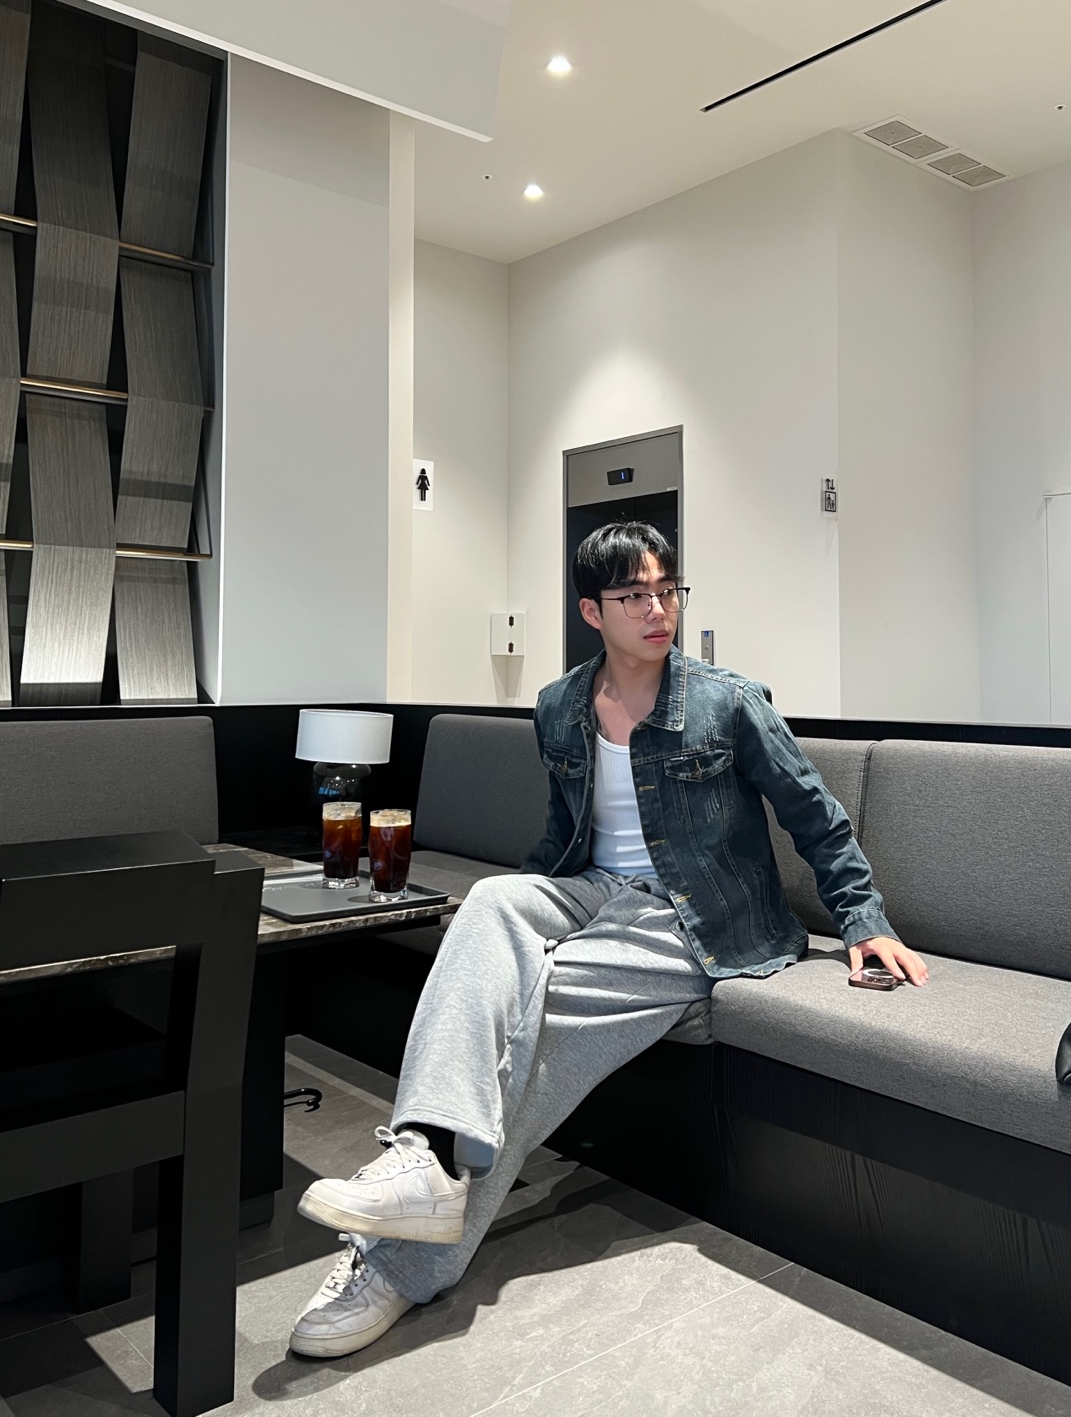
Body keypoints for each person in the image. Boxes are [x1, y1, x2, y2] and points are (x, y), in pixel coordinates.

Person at [288, 521, 929, 1358]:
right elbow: (562, 832)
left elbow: (815, 816)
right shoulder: (559, 705)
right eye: (633, 596)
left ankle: (403, 1265)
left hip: (697, 916)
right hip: (591, 889)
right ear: (592, 610)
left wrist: (862, 919)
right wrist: (525, 927)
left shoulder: (729, 701)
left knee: (536, 1019)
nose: (657, 609)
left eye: (667, 590)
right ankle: (421, 1159)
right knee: (493, 903)